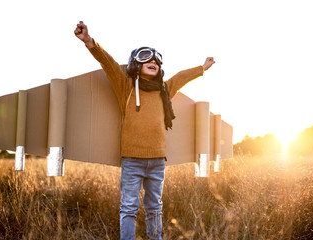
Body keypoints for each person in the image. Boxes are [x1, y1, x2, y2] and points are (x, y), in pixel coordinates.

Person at [74, 21, 215, 240]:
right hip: (132, 160)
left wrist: (202, 68)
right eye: (146, 59)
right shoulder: (126, 87)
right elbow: (108, 63)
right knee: (129, 208)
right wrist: (90, 42)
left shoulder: (164, 90)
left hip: (158, 161)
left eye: (155, 61)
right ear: (135, 65)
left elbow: (180, 77)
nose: (152, 62)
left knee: (154, 208)